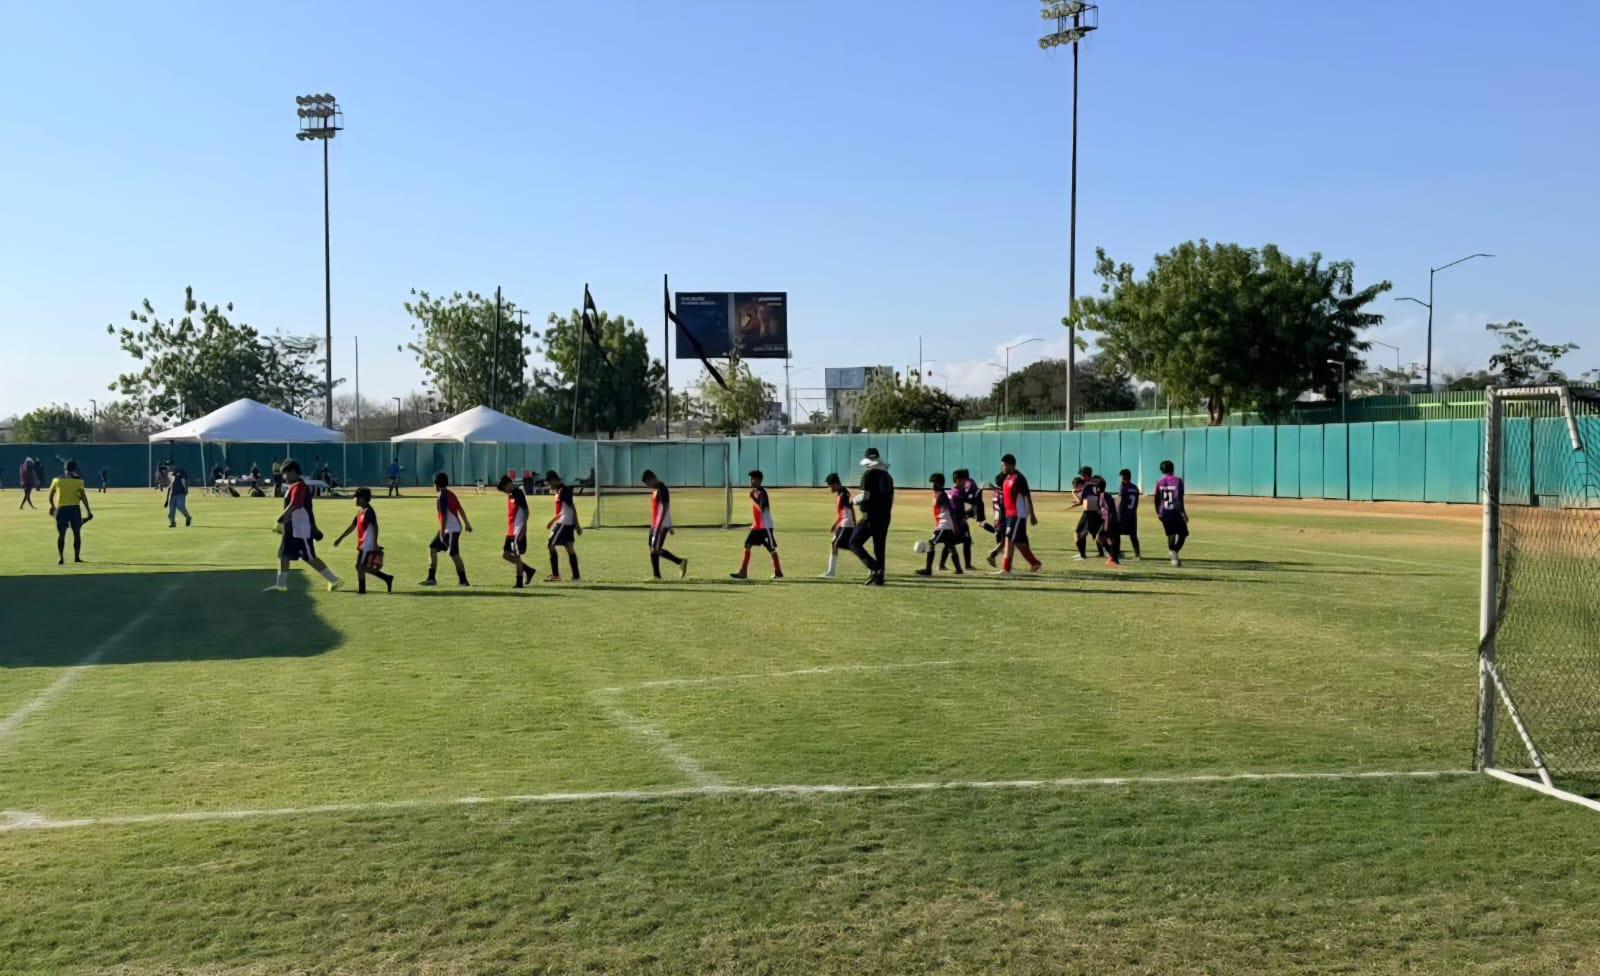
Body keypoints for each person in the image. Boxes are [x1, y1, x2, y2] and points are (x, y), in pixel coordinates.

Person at [266, 459, 342, 592]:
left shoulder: (300, 487)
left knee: (309, 558)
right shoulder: (293, 487)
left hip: (301, 530)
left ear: (294, 472)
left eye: (286, 473)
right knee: (283, 555)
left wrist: (280, 519)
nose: (284, 477)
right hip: (292, 529)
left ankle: (334, 579)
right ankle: (281, 585)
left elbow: (295, 504)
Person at [334, 487, 395, 594]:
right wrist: (340, 538)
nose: (355, 500)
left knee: (360, 566)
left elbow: (375, 527)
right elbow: (352, 526)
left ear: (362, 498)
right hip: (363, 544)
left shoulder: (369, 512)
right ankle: (387, 578)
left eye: (356, 498)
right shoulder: (360, 512)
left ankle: (362, 591)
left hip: (368, 545)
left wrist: (375, 543)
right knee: (361, 566)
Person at [848, 446, 894, 586]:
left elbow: (865, 495)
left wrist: (852, 501)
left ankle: (875, 568)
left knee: (854, 542)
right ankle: (880, 578)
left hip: (870, 516)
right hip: (885, 516)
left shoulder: (868, 475)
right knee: (879, 547)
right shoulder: (888, 476)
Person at [422, 471, 472, 587]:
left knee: (454, 553)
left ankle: (464, 581)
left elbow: (443, 516)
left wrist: (442, 534)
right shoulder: (450, 494)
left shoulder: (442, 497)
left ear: (437, 484)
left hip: (451, 529)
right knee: (433, 548)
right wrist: (467, 524)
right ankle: (431, 578)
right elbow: (460, 509)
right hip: (451, 528)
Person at [731, 469, 782, 580]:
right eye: (751, 478)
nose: (752, 480)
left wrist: (753, 498)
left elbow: (762, 508)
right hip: (757, 526)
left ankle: (778, 572)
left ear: (760, 480)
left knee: (771, 548)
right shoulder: (754, 492)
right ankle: (743, 572)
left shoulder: (762, 493)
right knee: (747, 545)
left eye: (754, 478)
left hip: (765, 527)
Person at [996, 453, 1042, 576]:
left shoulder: (1019, 478)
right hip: (1009, 515)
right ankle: (1031, 564)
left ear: (1011, 465)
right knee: (1013, 541)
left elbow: (1027, 496)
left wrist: (1032, 514)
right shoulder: (1006, 478)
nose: (1003, 467)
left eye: (1004, 465)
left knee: (1012, 540)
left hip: (1018, 514)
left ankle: (1011, 568)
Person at [642, 469, 687, 580]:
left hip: (660, 525)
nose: (648, 486)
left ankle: (680, 561)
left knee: (655, 549)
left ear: (652, 479)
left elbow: (665, 508)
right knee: (652, 548)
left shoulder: (663, 489)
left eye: (648, 483)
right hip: (655, 524)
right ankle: (657, 576)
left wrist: (662, 526)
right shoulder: (656, 489)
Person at [917, 473, 964, 577]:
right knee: (950, 546)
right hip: (943, 525)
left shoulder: (942, 496)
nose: (932, 485)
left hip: (945, 525)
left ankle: (928, 570)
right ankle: (959, 569)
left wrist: (954, 527)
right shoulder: (938, 494)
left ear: (940, 484)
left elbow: (951, 512)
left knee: (931, 543)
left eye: (934, 483)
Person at [47, 460, 92, 565]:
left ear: (65, 469)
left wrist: (53, 506)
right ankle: (76, 557)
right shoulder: (78, 481)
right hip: (74, 509)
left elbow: (50, 495)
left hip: (61, 510)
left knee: (61, 534)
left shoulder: (57, 480)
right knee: (77, 534)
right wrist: (89, 512)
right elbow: (84, 498)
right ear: (75, 469)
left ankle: (61, 558)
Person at [498, 474, 537, 588]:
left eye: (505, 487)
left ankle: (519, 582)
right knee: (505, 555)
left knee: (517, 555)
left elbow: (526, 511)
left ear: (510, 483)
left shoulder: (518, 493)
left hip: (518, 529)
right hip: (511, 530)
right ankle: (528, 570)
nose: (505, 490)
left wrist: (523, 529)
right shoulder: (510, 495)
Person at [543, 470, 582, 582]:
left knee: (550, 544)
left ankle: (555, 575)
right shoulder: (559, 491)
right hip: (565, 522)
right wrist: (552, 521)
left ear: (555, 480)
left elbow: (572, 508)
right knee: (569, 547)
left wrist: (577, 526)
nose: (549, 485)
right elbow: (563, 510)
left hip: (565, 523)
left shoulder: (564, 491)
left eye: (550, 483)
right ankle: (576, 576)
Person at [1154, 459, 1189, 567]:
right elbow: (1179, 498)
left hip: (1164, 513)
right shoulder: (1178, 481)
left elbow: (1156, 499)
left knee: (1171, 535)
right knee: (1183, 534)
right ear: (1173, 468)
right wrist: (1183, 513)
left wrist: (1158, 512)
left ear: (1161, 470)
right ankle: (1174, 553)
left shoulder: (1160, 482)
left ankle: (1173, 554)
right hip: (1175, 512)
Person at [821, 472, 855, 579]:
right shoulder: (841, 493)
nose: (830, 488)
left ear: (835, 484)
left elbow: (850, 510)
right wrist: (835, 524)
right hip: (843, 523)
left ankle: (831, 572)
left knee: (839, 544)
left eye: (830, 486)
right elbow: (842, 512)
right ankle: (831, 571)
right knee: (836, 544)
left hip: (847, 524)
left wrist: (854, 523)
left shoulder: (844, 494)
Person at [1073, 465, 1105, 560]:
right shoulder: (1096, 483)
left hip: (1088, 513)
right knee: (1094, 534)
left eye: (1082, 475)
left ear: (1086, 475)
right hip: (1097, 512)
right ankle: (1102, 553)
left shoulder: (1087, 485)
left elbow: (1081, 501)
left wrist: (1073, 493)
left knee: (1078, 533)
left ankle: (1082, 555)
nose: (1082, 477)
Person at [1094, 474, 1122, 567]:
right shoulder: (1104, 496)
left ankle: (1113, 557)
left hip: (1110, 521)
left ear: (1097, 488)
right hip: (1110, 521)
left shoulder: (1103, 497)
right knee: (1106, 539)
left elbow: (1108, 511)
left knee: (1100, 538)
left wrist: (1106, 525)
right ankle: (1114, 557)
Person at [1116, 468, 1143, 560]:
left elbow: (1122, 501)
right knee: (1133, 535)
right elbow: (1136, 503)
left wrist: (1117, 513)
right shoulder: (1135, 488)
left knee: (1117, 533)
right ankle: (1137, 555)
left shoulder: (1123, 487)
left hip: (1123, 514)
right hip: (1132, 514)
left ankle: (1118, 553)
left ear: (1123, 477)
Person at [984, 473, 1008, 568]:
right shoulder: (1002, 494)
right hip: (1002, 520)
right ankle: (992, 555)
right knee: (1006, 542)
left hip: (996, 519)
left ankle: (1004, 563)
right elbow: (1003, 508)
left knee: (1003, 543)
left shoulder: (996, 493)